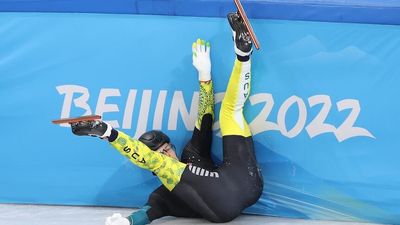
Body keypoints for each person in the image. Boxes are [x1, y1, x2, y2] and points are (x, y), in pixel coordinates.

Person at [70, 12, 263, 225]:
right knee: (164, 167)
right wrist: (127, 222)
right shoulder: (162, 195)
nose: (168, 153)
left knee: (230, 112)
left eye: (167, 148)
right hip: (222, 207)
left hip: (247, 183)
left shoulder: (193, 153)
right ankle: (106, 131)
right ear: (144, 160)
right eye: (161, 152)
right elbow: (146, 214)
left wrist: (204, 75)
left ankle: (242, 53)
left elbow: (205, 114)